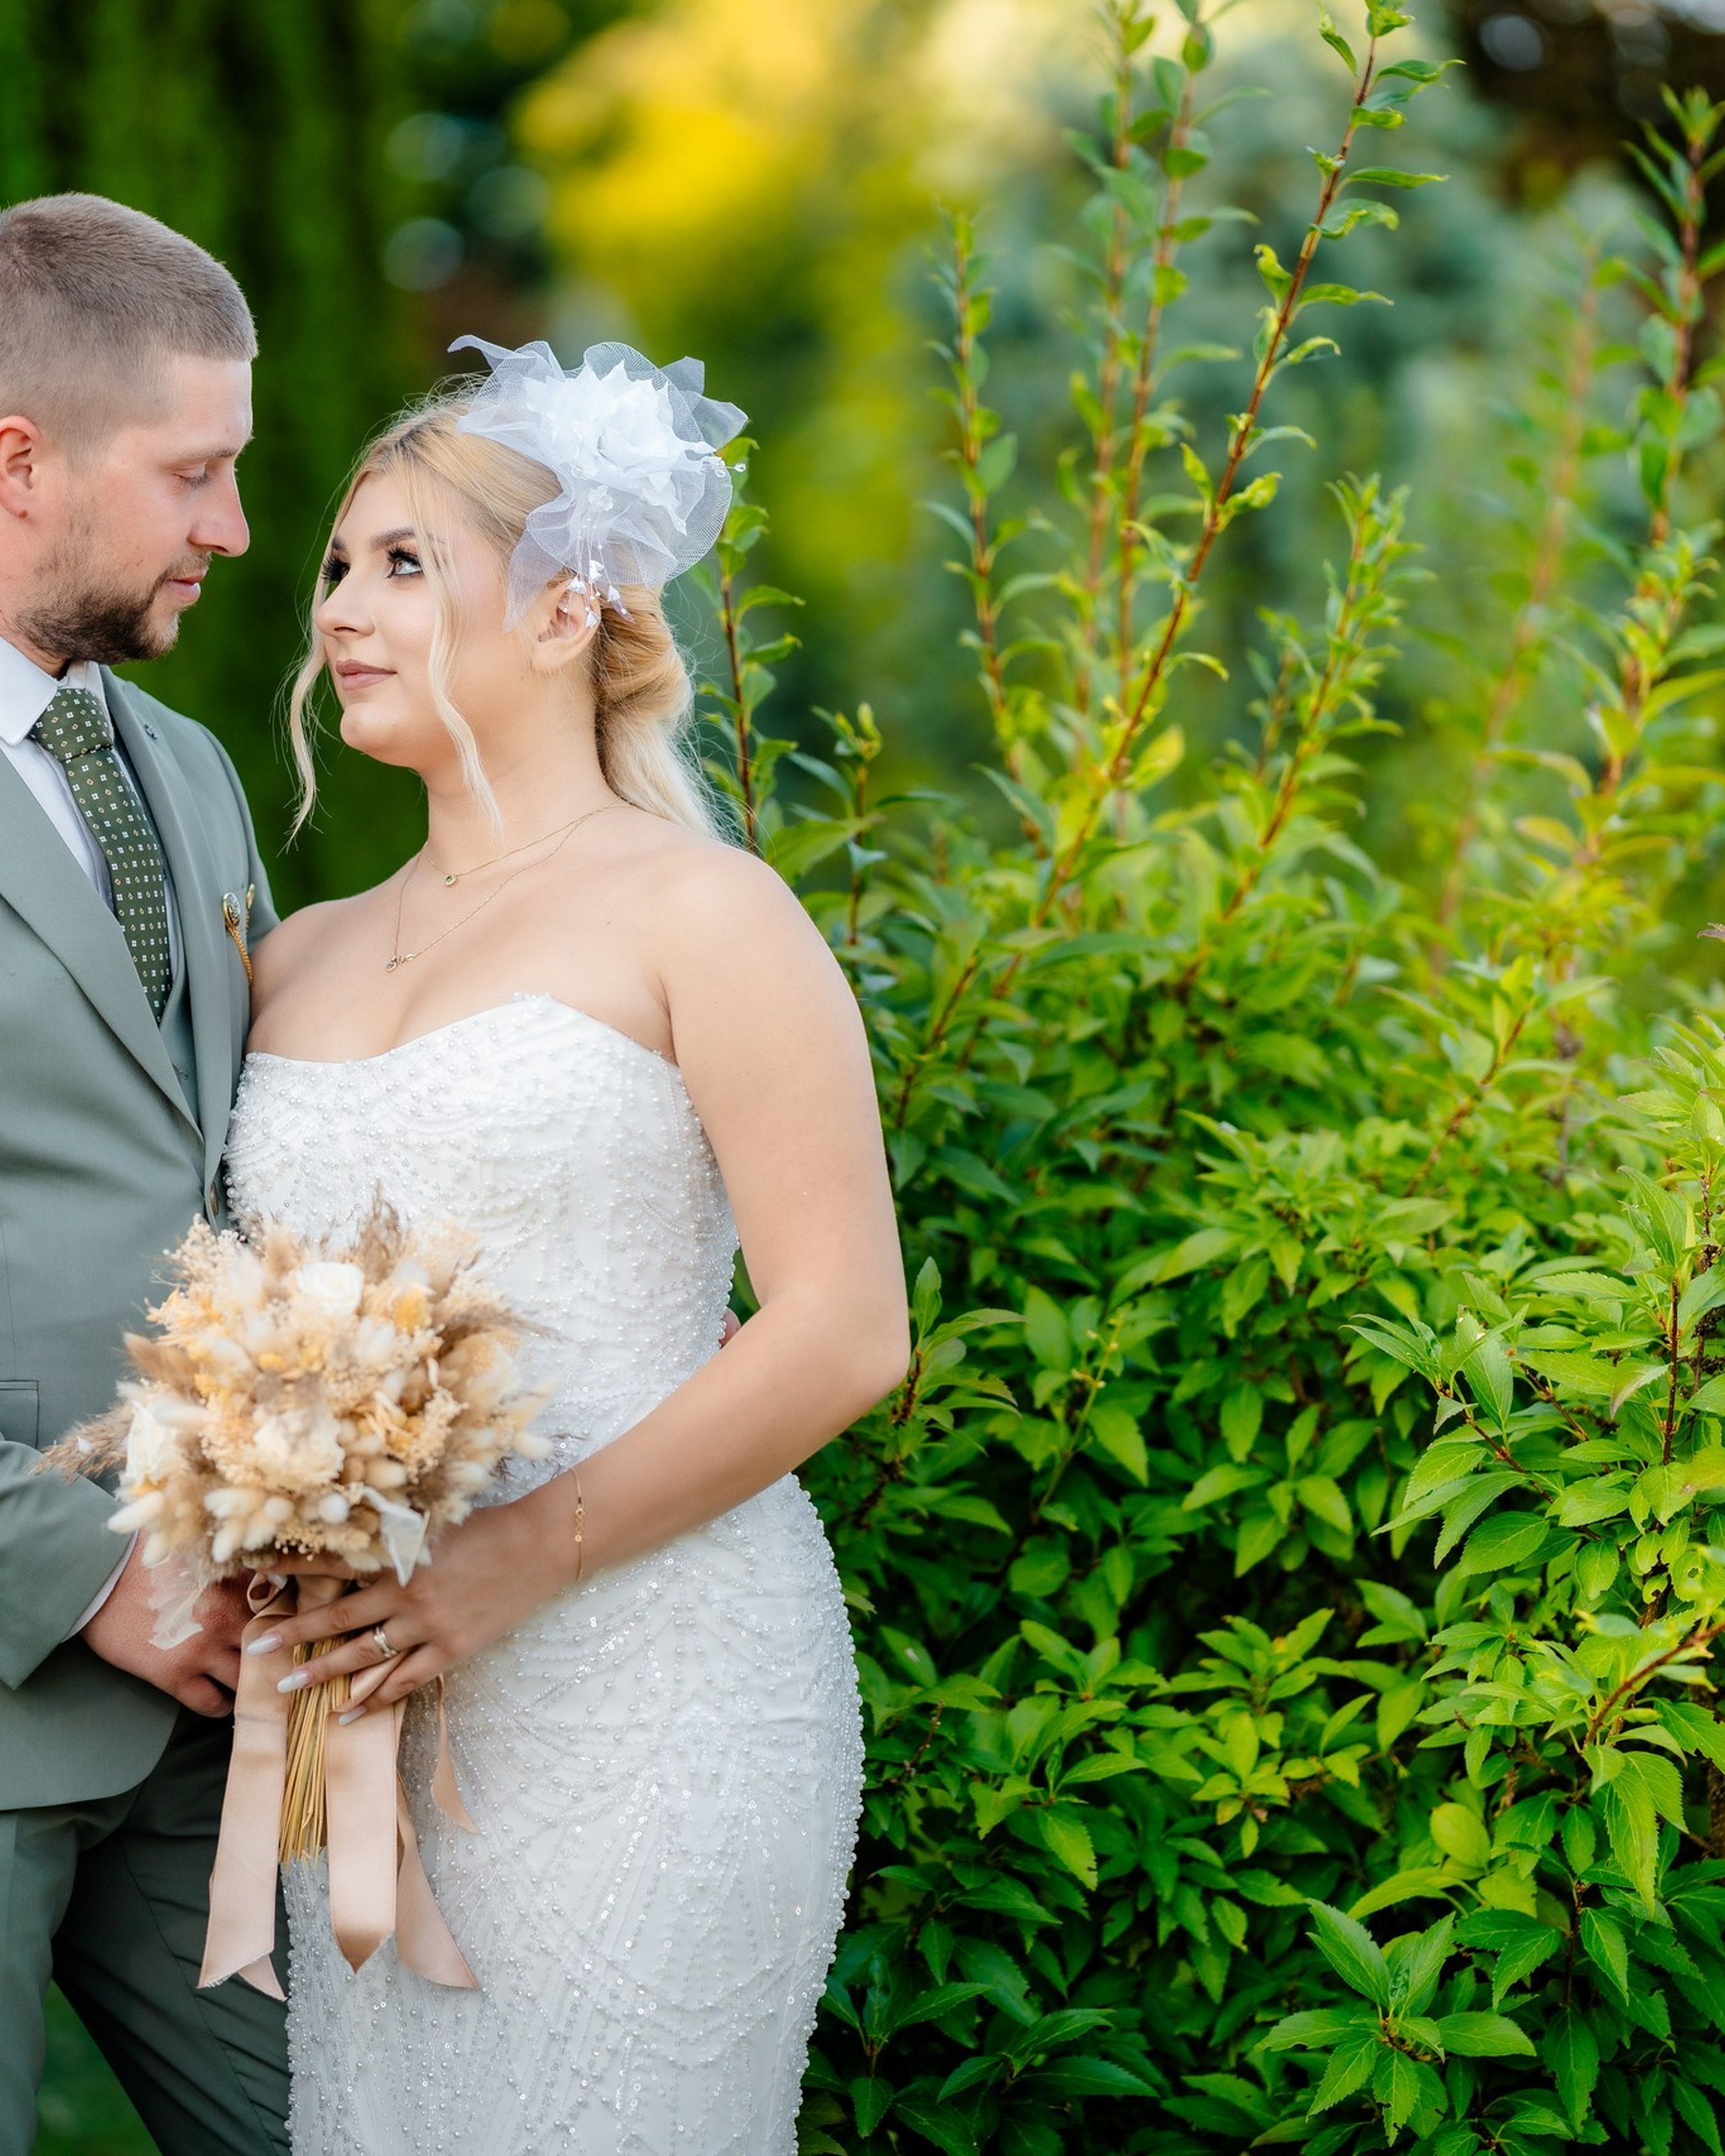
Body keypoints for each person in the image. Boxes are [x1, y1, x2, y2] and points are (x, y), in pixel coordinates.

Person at [228, 338, 908, 2152]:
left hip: (651, 1691)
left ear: (560, 615)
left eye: (402, 565)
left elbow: (846, 1328)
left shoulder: (707, 912)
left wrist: (508, 1562)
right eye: (333, 569)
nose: (341, 612)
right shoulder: (288, 956)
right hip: (367, 1714)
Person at [0, 195, 289, 2153]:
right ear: (16, 460)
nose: (236, 531)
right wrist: (81, 1570)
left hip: (223, 1709)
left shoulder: (178, 763)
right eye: (196, 473)